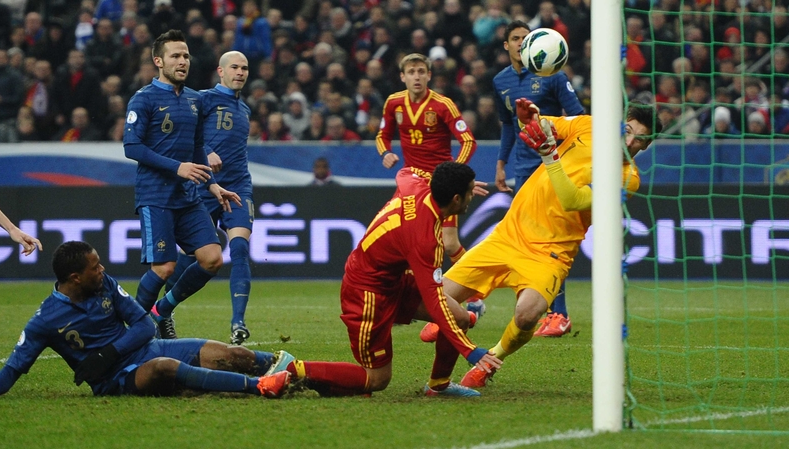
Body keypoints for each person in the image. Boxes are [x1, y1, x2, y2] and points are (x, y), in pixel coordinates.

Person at [445, 98, 661, 388]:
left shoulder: (627, 179)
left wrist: (550, 156)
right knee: (436, 297)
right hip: (509, 234)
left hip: (550, 254)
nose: (631, 140)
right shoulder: (588, 125)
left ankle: (490, 361)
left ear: (645, 148)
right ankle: (461, 320)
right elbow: (539, 126)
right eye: (628, 130)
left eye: (640, 139)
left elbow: (571, 200)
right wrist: (526, 117)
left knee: (527, 314)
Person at [273, 163, 502, 397]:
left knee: (459, 317)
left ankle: (438, 385)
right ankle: (291, 369)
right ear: (456, 199)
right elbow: (435, 302)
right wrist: (470, 351)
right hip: (368, 292)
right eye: (470, 191)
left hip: (395, 280)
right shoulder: (424, 241)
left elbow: (405, 171)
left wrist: (444, 178)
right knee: (377, 380)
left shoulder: (415, 186)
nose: (473, 195)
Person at [0, 241, 292, 399]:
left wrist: (108, 352)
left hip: (149, 348)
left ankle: (294, 368)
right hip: (116, 379)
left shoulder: (104, 283)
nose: (103, 269)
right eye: (95, 267)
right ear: (75, 278)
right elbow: (10, 373)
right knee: (166, 369)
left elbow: (145, 325)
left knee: (231, 354)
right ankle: (258, 387)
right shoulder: (44, 321)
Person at [123, 30, 241, 339]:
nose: (183, 61)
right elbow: (131, 147)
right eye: (175, 56)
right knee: (164, 269)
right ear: (158, 61)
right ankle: (134, 332)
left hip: (188, 197)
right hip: (155, 195)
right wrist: (178, 167)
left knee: (212, 259)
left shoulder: (194, 100)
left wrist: (213, 185)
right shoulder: (144, 98)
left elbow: (197, 146)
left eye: (186, 56)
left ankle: (162, 311)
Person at [493, 20, 586, 337]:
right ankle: (540, 308)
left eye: (525, 38)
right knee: (525, 241)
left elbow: (579, 118)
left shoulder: (553, 76)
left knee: (549, 241)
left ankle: (558, 314)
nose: (521, 43)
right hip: (523, 169)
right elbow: (508, 125)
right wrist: (502, 162)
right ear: (506, 45)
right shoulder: (501, 81)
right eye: (515, 39)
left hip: (553, 167)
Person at [163, 51, 255, 345]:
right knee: (194, 257)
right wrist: (205, 152)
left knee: (239, 247)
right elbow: (183, 131)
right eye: (235, 68)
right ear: (221, 71)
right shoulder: (203, 99)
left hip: (239, 187)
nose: (240, 72)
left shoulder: (245, 109)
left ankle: (238, 323)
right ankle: (162, 311)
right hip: (204, 187)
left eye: (244, 68)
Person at [376, 53, 480, 271]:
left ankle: (474, 294)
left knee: (450, 243)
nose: (417, 77)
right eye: (411, 72)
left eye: (421, 72)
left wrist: (453, 176)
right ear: (402, 77)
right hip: (411, 182)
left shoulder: (443, 105)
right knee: (404, 239)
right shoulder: (394, 103)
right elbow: (382, 135)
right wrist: (385, 152)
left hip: (439, 181)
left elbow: (468, 141)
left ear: (429, 76)